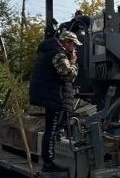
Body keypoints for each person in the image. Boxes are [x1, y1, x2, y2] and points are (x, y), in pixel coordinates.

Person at [29, 30, 81, 170]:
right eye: (74, 45)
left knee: (52, 129)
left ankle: (50, 159)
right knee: (51, 130)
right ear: (67, 42)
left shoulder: (47, 51)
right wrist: (74, 62)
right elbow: (69, 75)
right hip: (53, 96)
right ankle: (48, 163)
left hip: (48, 94)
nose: (75, 48)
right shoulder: (58, 54)